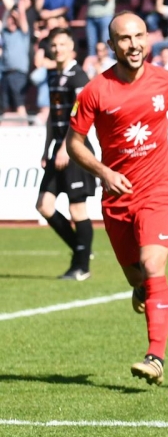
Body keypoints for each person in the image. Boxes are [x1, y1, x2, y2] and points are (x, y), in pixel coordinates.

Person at [67, 11, 168, 386]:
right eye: (125, 39)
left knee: (152, 263)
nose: (134, 45)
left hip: (158, 190)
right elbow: (74, 144)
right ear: (111, 45)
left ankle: (155, 356)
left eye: (139, 36)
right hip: (117, 198)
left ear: (148, 38)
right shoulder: (95, 91)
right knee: (137, 276)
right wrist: (104, 173)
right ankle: (143, 288)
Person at [34, 29, 96, 281]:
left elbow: (81, 117)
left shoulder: (78, 76)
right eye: (54, 45)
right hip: (59, 149)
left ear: (72, 47)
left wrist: (65, 149)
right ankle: (82, 250)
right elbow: (54, 116)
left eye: (62, 44)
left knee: (77, 209)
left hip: (76, 151)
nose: (57, 49)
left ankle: (82, 267)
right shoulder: (54, 76)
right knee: (44, 205)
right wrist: (47, 148)